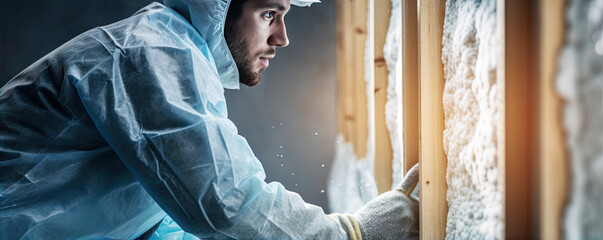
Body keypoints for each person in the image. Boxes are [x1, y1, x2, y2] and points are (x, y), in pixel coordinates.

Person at [0, 0, 419, 239]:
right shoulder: (151, 54)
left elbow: (158, 229)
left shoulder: (171, 55)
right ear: (221, 7)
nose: (283, 37)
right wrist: (352, 233)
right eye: (269, 13)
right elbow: (226, 202)